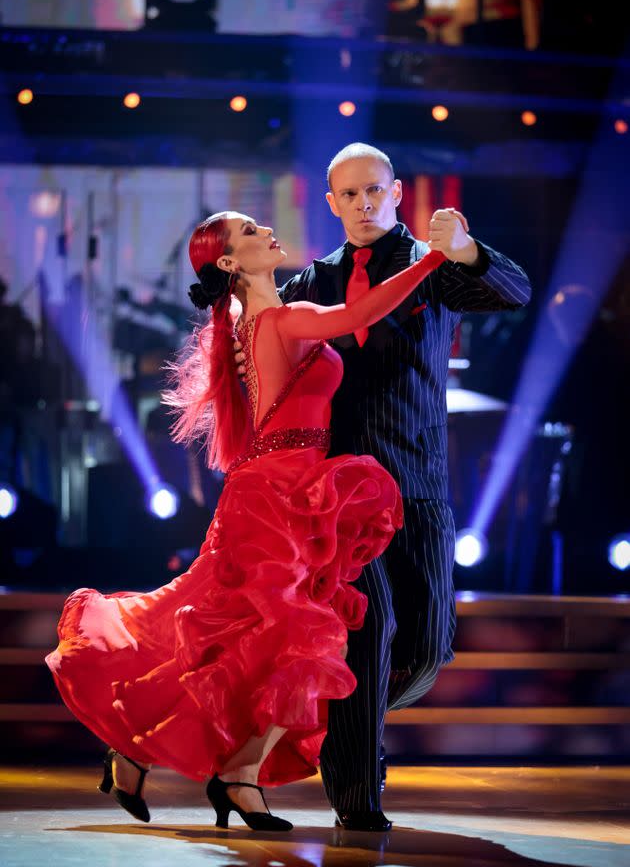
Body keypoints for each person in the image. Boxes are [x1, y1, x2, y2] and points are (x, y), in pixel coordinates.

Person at [45, 210, 447, 832]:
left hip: (285, 488)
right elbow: (359, 317)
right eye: (250, 234)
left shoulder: (251, 318)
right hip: (277, 494)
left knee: (242, 636)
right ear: (231, 264)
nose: (267, 233)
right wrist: (432, 260)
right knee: (302, 637)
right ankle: (230, 774)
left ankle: (156, 751)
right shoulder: (279, 319)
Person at [234, 142, 531, 831]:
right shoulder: (313, 281)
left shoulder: (430, 267)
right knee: (362, 641)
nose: (364, 204)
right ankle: (357, 799)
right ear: (333, 203)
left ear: (396, 193)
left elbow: (513, 292)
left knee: (427, 646)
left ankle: (351, 715)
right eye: (349, 194)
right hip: (338, 499)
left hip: (418, 483)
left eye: (374, 191)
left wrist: (466, 248)